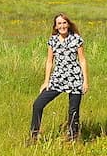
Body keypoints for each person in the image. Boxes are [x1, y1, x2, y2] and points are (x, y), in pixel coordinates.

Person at [28, 12, 89, 145]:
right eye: (59, 23)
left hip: (74, 79)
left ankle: (73, 139)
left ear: (68, 24)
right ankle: (33, 136)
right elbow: (49, 61)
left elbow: (82, 60)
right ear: (55, 27)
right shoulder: (52, 40)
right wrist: (46, 81)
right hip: (58, 79)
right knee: (38, 104)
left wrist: (85, 81)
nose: (62, 26)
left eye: (64, 23)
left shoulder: (76, 39)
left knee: (73, 111)